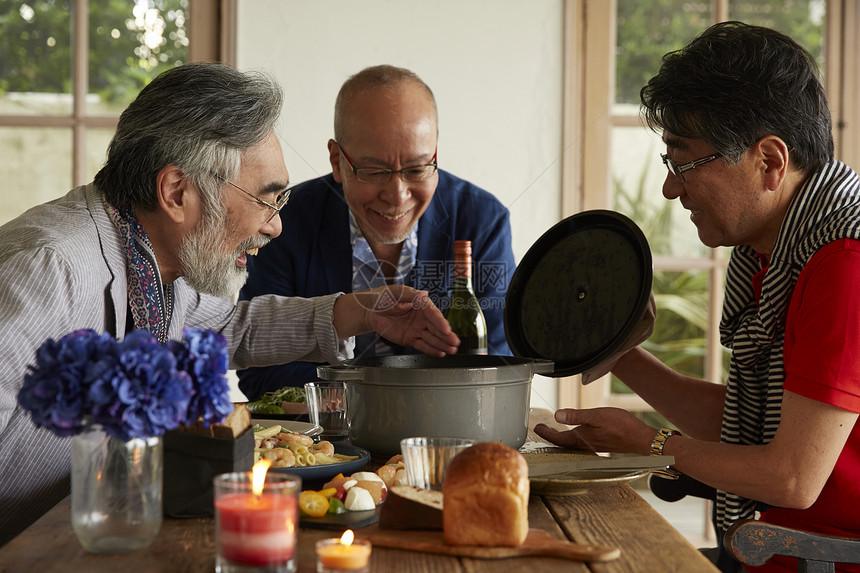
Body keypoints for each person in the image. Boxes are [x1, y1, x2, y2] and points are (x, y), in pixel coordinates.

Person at [0, 62, 459, 547]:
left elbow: (230, 328)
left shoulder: (153, 254)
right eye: (266, 200)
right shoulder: (47, 268)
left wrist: (358, 312)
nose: (276, 226)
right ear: (177, 192)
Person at [535, 22, 860, 573]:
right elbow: (745, 423)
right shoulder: (777, 253)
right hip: (768, 544)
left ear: (770, 162)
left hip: (814, 557)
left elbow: (793, 477)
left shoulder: (843, 266)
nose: (670, 187)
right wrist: (614, 351)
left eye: (685, 164)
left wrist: (648, 442)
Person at [237, 64, 516, 400]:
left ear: (436, 155)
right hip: (320, 443)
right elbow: (262, 369)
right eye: (373, 171)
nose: (397, 195)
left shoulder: (481, 221)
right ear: (338, 161)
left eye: (416, 168)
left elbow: (500, 367)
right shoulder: (282, 222)